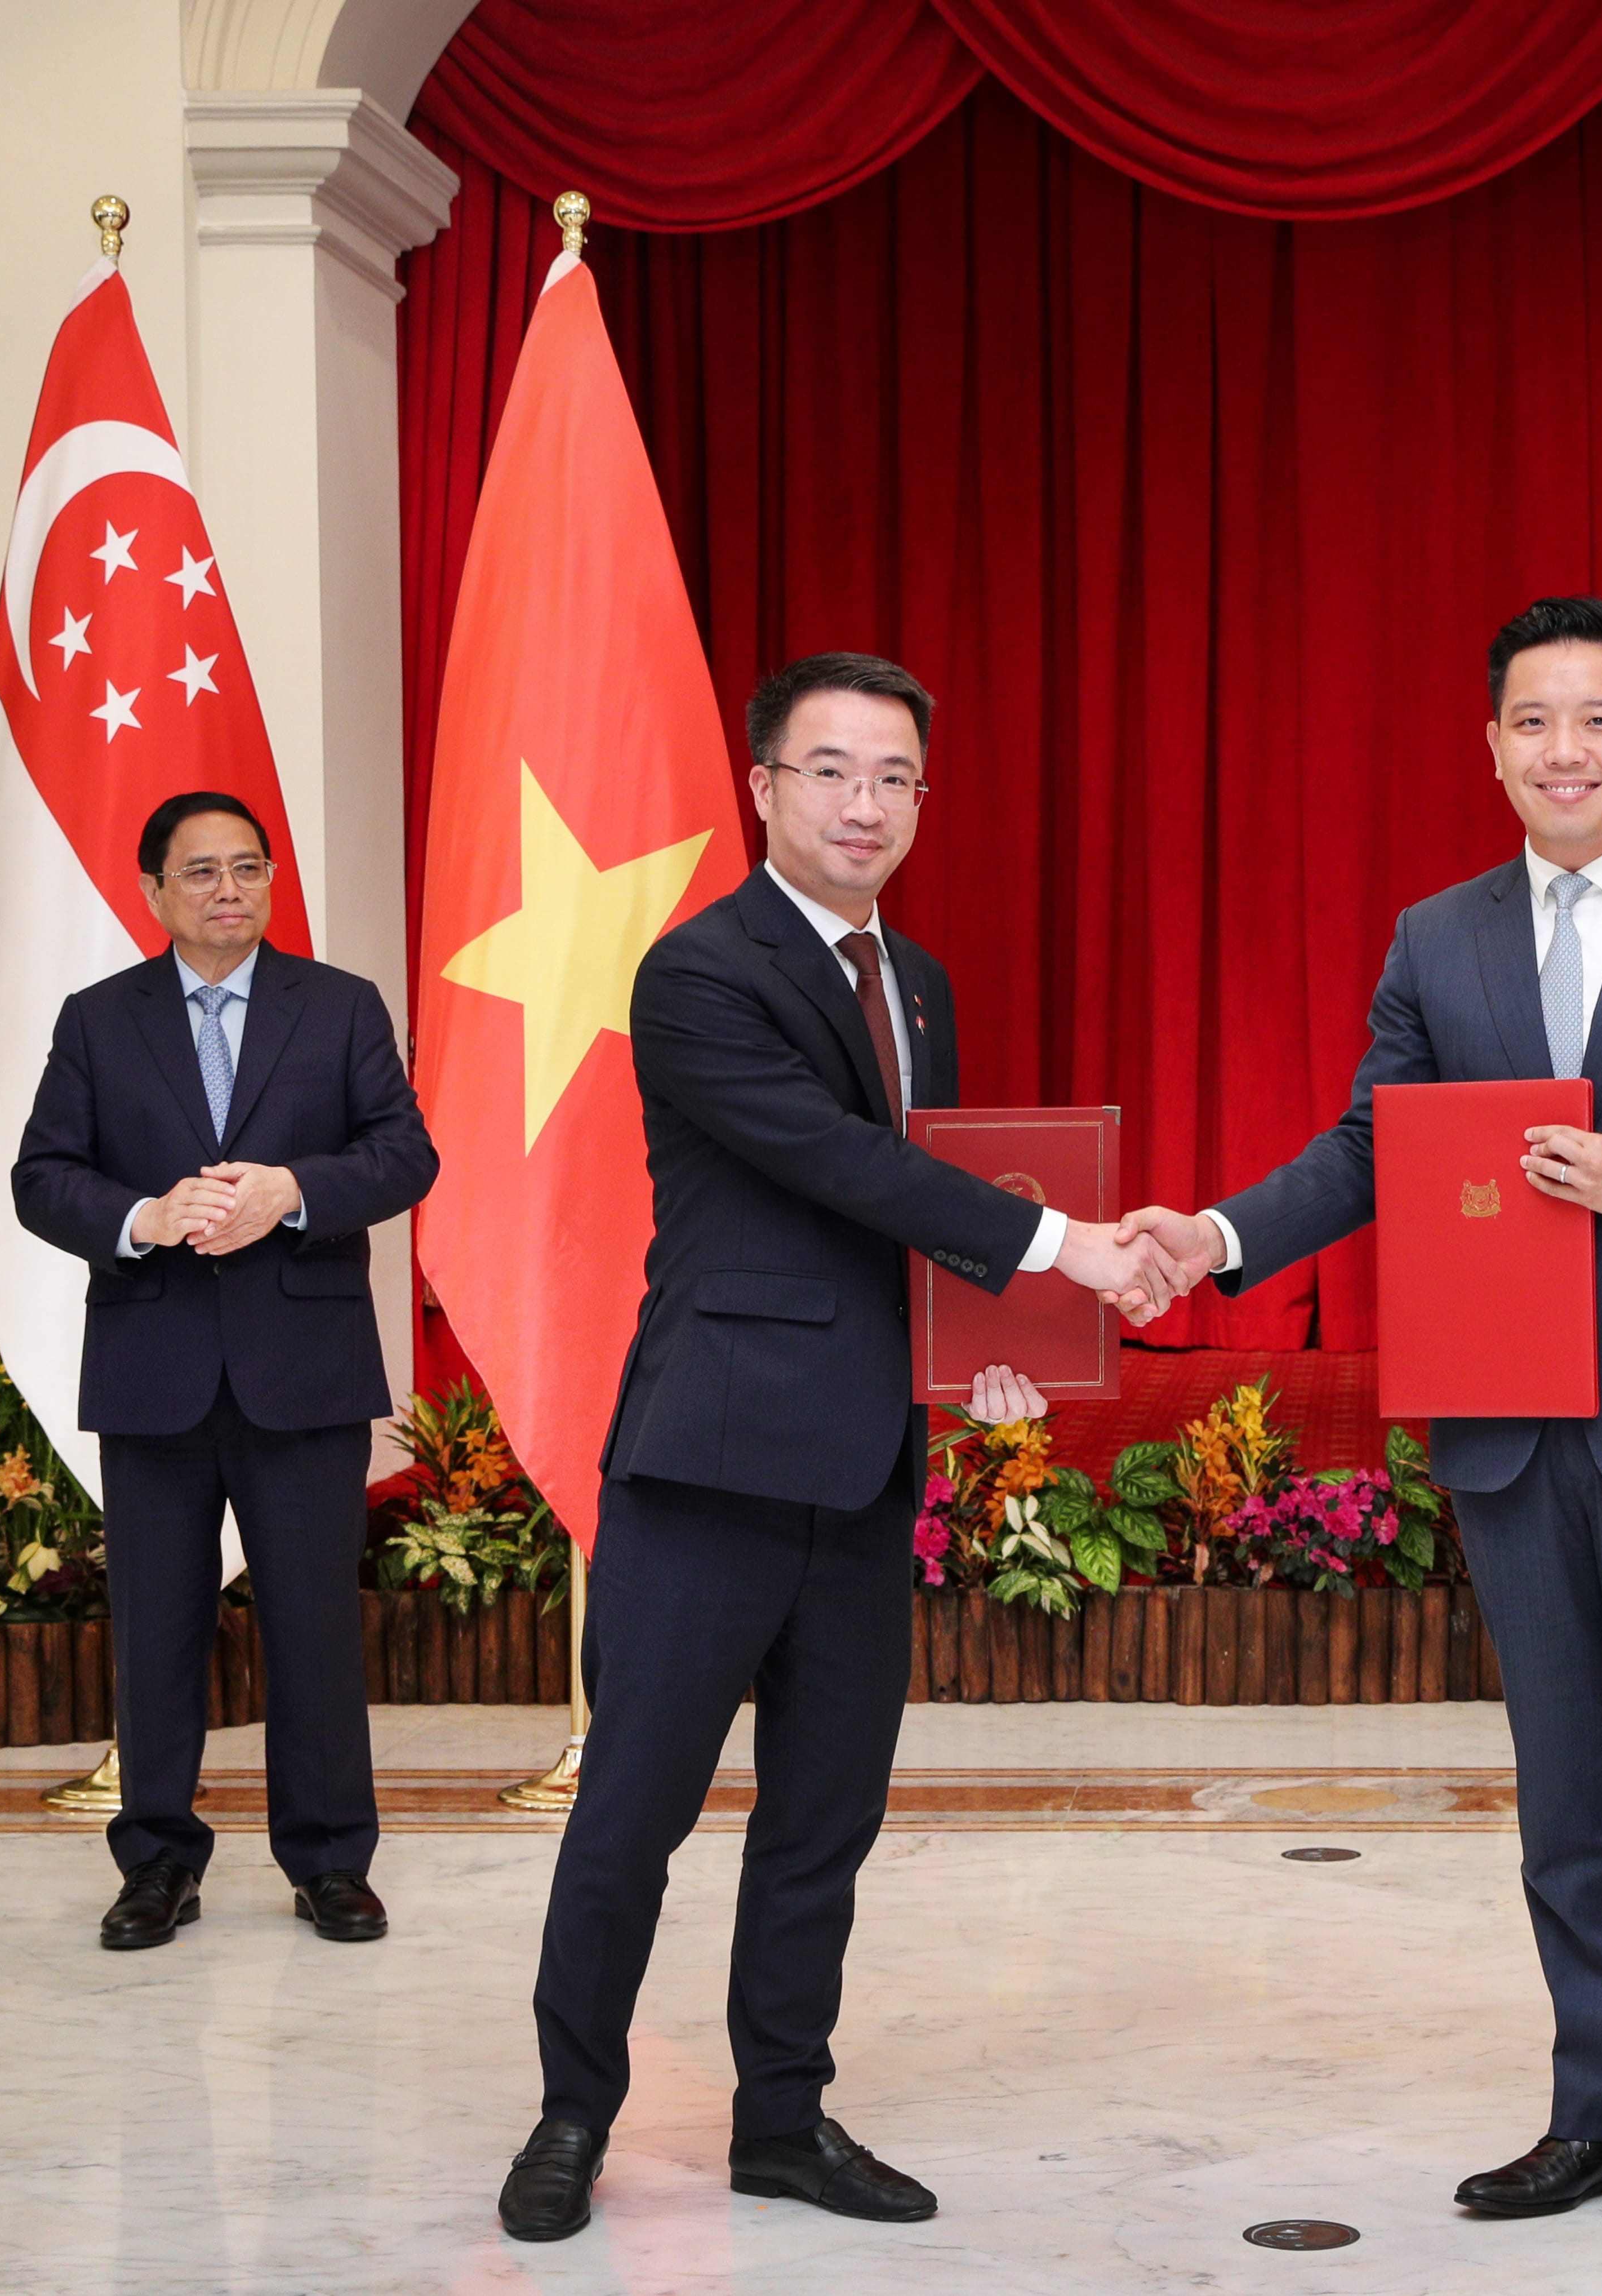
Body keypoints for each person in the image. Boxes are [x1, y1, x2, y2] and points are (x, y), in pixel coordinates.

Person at [1119, 597, 1602, 2248]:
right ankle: (1593, 2110)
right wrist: (1219, 1237)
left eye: (1597, 720)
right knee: (1570, 1793)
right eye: (1533, 722)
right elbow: (1362, 1150)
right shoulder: (1436, 937)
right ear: (1491, 746)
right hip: (1508, 1425)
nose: (1564, 751)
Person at [499, 652, 1188, 2244]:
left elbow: (903, 1235)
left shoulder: (918, 979)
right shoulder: (698, 972)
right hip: (709, 1470)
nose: (864, 803)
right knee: (635, 1813)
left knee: (824, 1817)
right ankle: (571, 2111)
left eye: (894, 777)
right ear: (763, 787)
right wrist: (1070, 1247)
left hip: (865, 1467)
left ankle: (783, 2118)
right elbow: (837, 1163)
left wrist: (982, 1363)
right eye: (830, 771)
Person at [11, 790, 439, 1950]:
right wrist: (146, 1214)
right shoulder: (99, 1020)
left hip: (302, 1366)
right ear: (154, 889)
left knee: (313, 1625)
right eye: (201, 872)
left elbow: (405, 1153)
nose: (229, 890)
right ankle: (156, 1861)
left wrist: (291, 1192)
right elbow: (41, 1177)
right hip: (154, 1367)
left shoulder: (340, 1008)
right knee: (156, 1629)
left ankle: (329, 1862)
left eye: (248, 868)